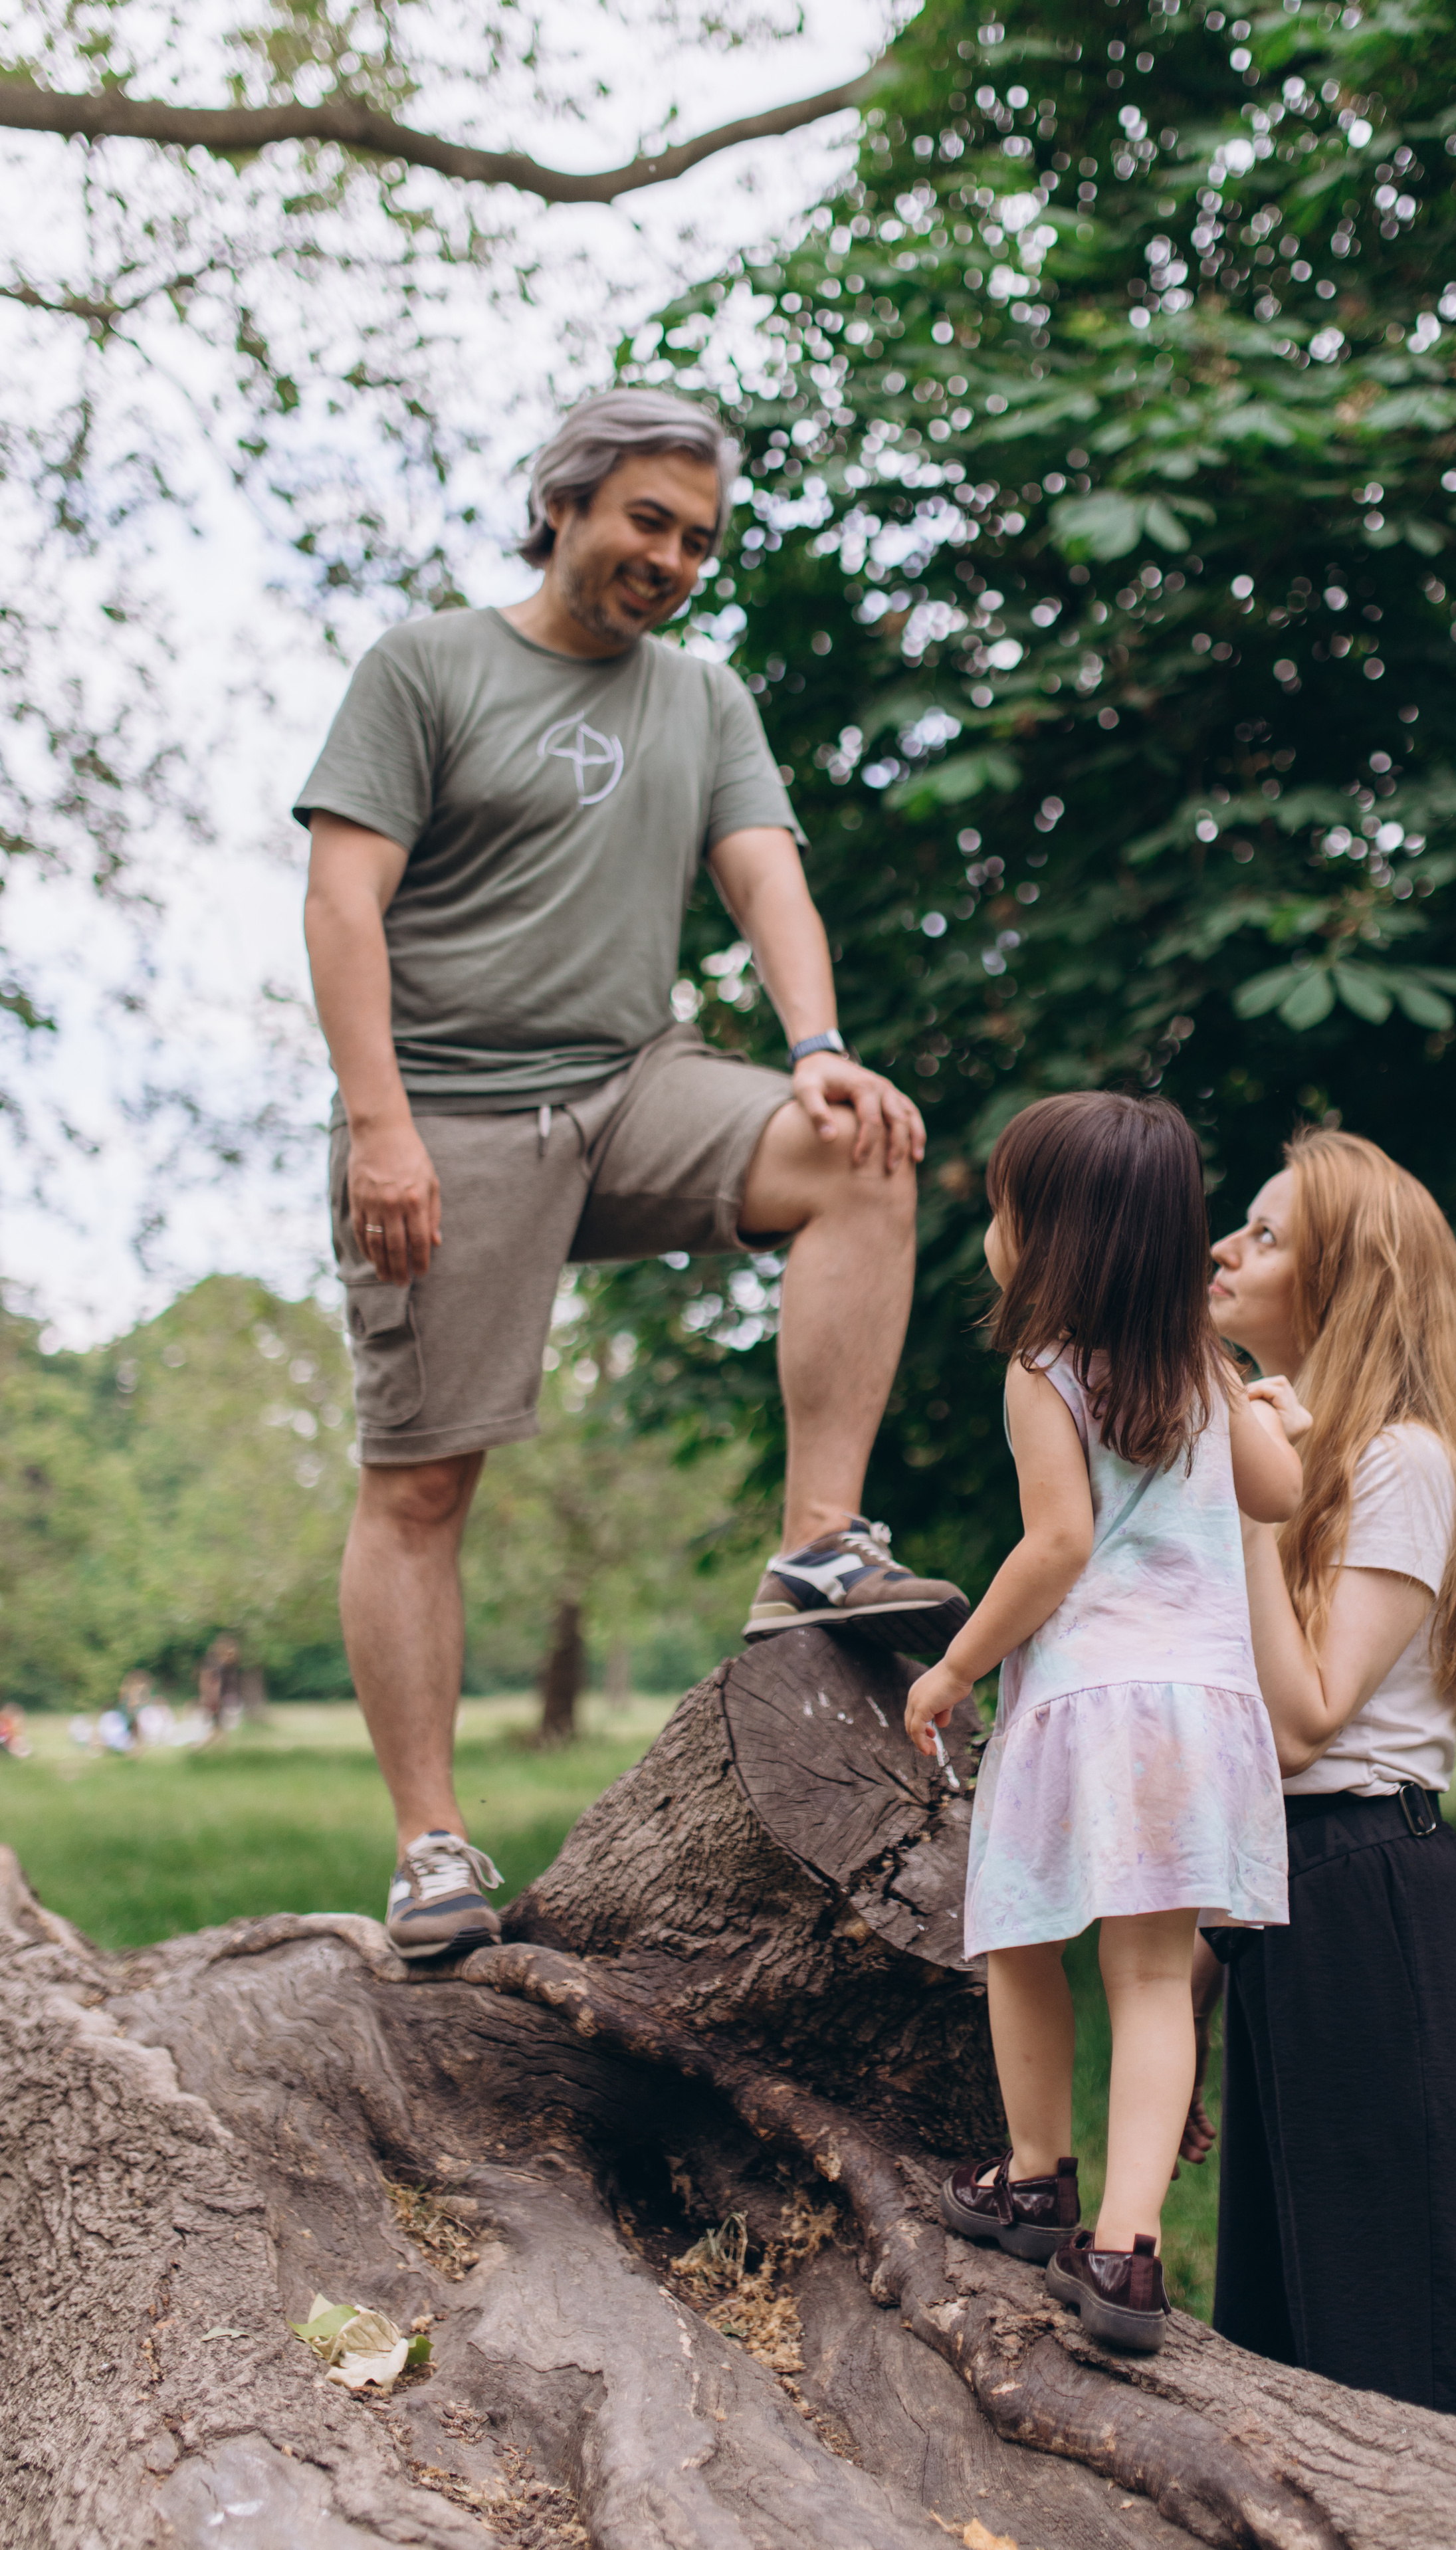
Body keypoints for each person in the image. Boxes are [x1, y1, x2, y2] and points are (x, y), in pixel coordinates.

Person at [296, 387, 967, 1962]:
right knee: (421, 1481)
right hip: (448, 1112)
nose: (669, 558)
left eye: (697, 539)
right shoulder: (427, 667)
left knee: (862, 1150)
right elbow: (341, 904)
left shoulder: (702, 696)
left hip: (634, 1079)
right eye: (646, 521)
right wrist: (378, 1122)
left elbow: (765, 875)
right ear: (567, 503)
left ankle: (815, 1543)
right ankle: (429, 1842)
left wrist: (814, 1041)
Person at [902, 1093, 1304, 2353]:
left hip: (1084, 1705)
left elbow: (1059, 1543)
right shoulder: (1205, 1366)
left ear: (1053, 1237)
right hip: (1203, 1713)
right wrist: (1267, 1411)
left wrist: (957, 1664)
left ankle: (1035, 2172)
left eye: (1002, 1209)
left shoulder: (1045, 1370)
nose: (989, 1230)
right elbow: (1281, 1492)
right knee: (1150, 1984)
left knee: (1019, 1939)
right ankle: (1130, 2250)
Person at [1193, 1126, 1456, 2427]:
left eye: (1265, 1232)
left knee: (1405, 2319)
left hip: (1370, 1899)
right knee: (1290, 2307)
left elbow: (1302, 1727)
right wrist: (1186, 1997)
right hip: (1285, 1901)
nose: (1222, 1247)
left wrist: (1243, 1502)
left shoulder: (1401, 1461)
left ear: (1341, 1282)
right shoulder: (1306, 1458)